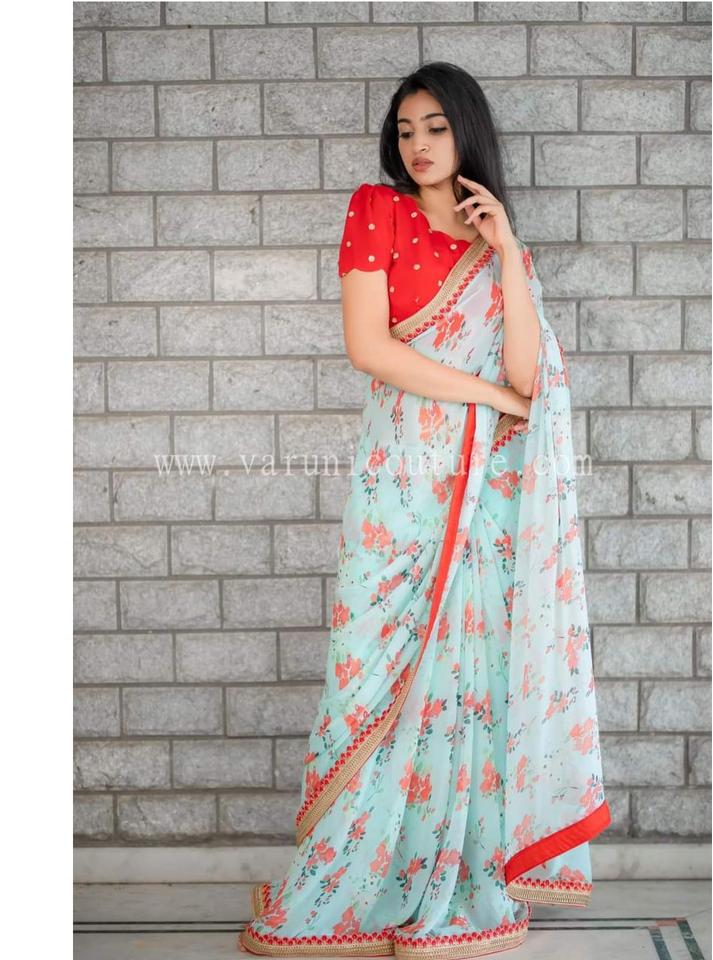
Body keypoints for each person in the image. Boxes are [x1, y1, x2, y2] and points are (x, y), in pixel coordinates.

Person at [238, 61, 610, 960]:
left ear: (466, 130)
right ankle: (358, 876)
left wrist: (509, 253)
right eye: (406, 129)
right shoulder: (378, 208)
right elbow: (369, 348)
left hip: (483, 500)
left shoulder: (497, 247)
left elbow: (529, 376)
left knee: (472, 680)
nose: (418, 144)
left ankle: (456, 868)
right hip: (400, 488)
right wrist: (488, 396)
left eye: (436, 127)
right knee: (369, 673)